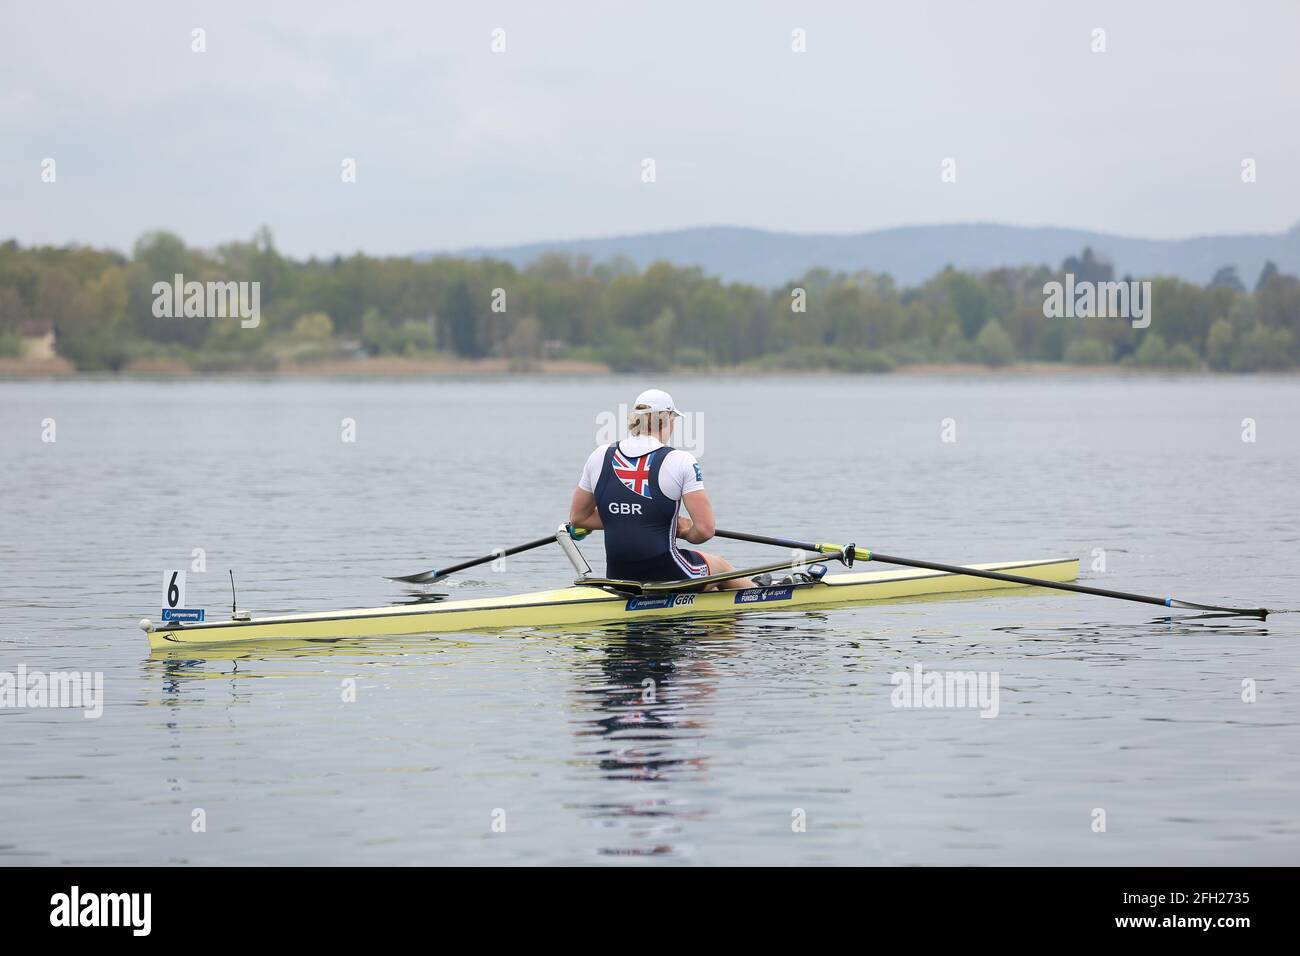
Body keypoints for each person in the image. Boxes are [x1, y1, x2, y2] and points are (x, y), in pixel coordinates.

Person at [568, 389, 752, 588]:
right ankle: (758, 595)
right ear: (666, 419)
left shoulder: (599, 455)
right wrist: (685, 530)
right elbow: (705, 530)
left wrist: (630, 520)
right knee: (721, 567)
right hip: (668, 573)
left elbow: (579, 518)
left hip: (618, 574)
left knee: (710, 584)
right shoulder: (681, 461)